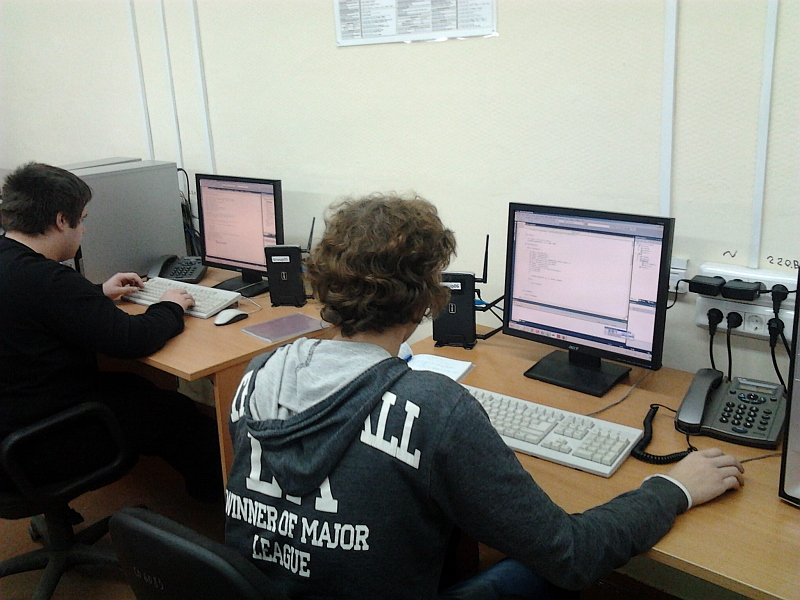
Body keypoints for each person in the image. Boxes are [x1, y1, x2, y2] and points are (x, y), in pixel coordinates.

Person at [224, 193, 744, 599]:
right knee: (541, 568)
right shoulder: (434, 406)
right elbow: (573, 555)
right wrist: (671, 489)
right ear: (428, 299)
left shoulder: (260, 374)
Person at [0, 162, 222, 502]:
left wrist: (96, 293)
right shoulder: (49, 280)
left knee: (134, 386)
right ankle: (220, 504)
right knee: (175, 414)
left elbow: (35, 307)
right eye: (82, 220)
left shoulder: (14, 264)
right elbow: (132, 339)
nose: (84, 230)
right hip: (38, 444)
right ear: (61, 220)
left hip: (13, 426)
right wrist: (171, 305)